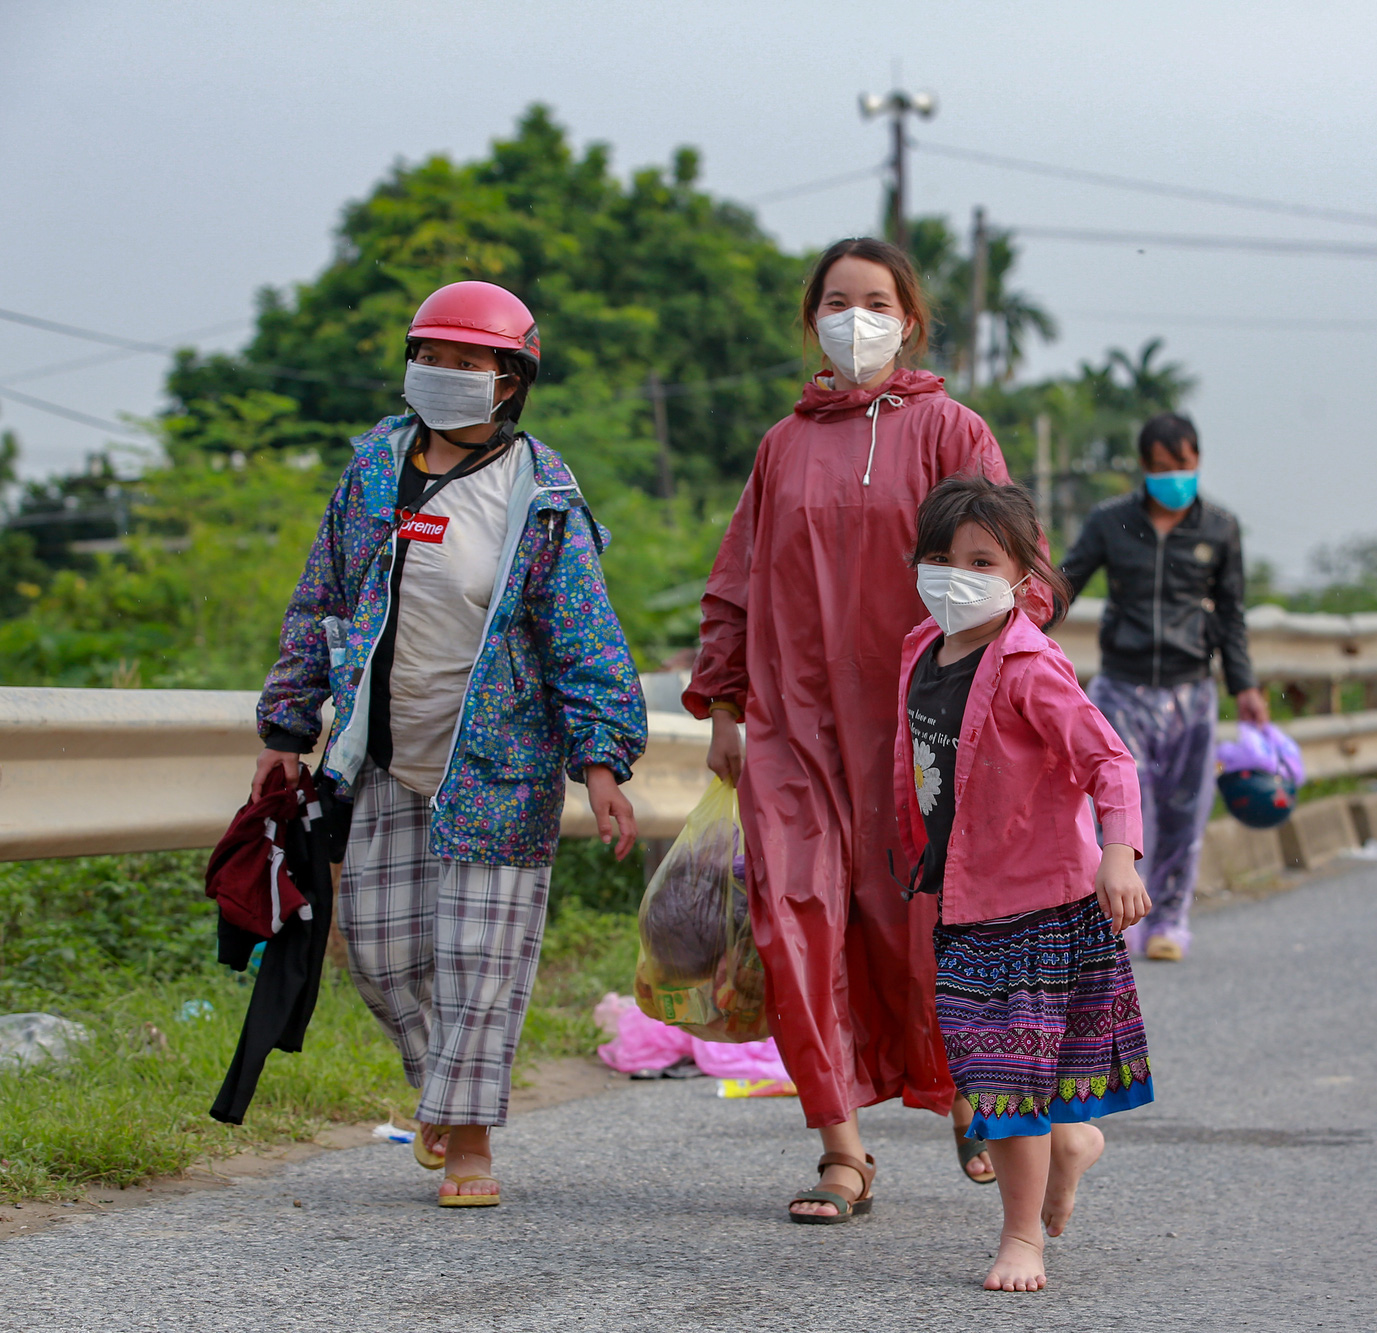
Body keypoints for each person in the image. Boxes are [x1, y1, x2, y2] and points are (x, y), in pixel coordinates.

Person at [253, 281, 646, 1207]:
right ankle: (445, 1088)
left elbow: (582, 638)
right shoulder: (374, 470)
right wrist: (286, 722)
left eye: (469, 363)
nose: (445, 375)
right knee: (382, 953)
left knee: (481, 962)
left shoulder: (542, 494)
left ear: (512, 380)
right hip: (383, 754)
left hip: (498, 768)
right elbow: (322, 599)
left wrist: (601, 764)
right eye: (431, 357)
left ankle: (469, 1142)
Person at [686, 238, 1038, 1219]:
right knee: (794, 920)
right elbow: (736, 577)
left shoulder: (953, 431)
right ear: (811, 319)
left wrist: (1001, 698)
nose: (856, 317)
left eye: (875, 300)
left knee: (927, 925)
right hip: (794, 728)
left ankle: (966, 1080)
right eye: (836, 300)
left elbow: (1018, 576)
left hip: (919, 732)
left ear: (910, 317)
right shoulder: (780, 445)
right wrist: (721, 702)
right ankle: (841, 1151)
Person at [895, 474, 1153, 1292]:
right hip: (965, 905)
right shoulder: (920, 652)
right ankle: (1071, 1145)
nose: (955, 574)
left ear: (1023, 579)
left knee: (1005, 1086)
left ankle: (1022, 1240)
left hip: (1041, 907)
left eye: (981, 560)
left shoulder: (1031, 666)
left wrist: (1119, 853)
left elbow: (1109, 759)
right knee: (985, 1074)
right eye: (940, 557)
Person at [1058, 412, 1264, 963]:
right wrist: (1017, 633)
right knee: (1120, 809)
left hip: (1192, 688)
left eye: (1182, 466)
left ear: (1197, 461)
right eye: (1159, 468)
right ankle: (1113, 923)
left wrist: (1244, 686)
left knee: (1184, 811)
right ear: (1144, 469)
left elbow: (1231, 615)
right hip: (1122, 687)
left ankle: (1170, 920)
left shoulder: (1220, 528)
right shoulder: (1111, 522)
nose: (1172, 477)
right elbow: (1065, 585)